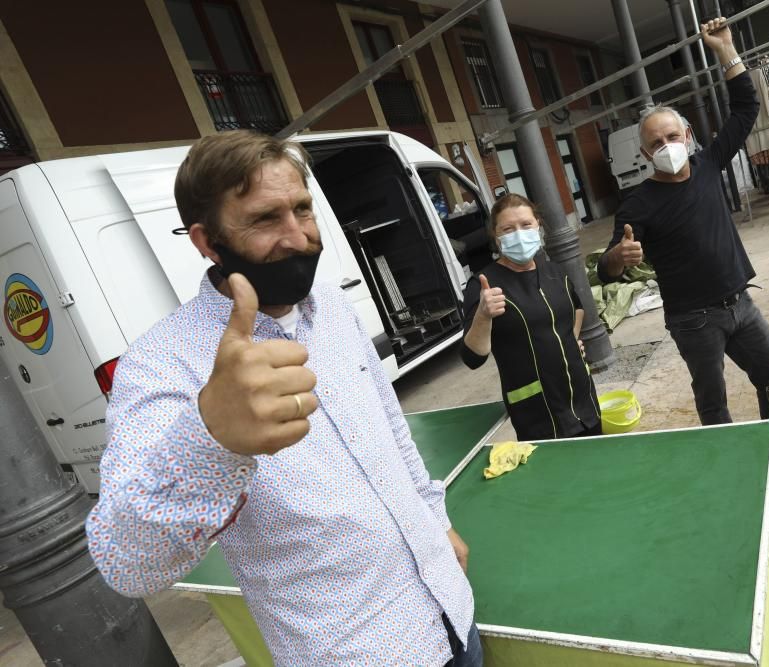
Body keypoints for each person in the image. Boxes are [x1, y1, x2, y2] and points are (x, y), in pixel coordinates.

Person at [86, 130, 481, 666]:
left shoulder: (333, 308)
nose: (298, 237)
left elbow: (390, 429)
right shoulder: (162, 364)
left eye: (303, 209)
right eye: (266, 218)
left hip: (449, 604)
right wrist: (211, 438)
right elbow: (126, 564)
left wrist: (437, 521)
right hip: (358, 653)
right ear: (207, 241)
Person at [597, 17, 769, 427]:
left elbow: (746, 107)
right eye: (656, 143)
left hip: (741, 303)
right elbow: (607, 272)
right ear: (646, 155)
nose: (666, 147)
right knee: (713, 403)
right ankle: (727, 475)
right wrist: (618, 255)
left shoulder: (708, 164)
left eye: (672, 137)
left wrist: (725, 49)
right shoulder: (637, 205)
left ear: (687, 135)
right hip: (693, 319)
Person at [460, 194, 601, 441]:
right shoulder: (484, 285)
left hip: (584, 400)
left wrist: (570, 340)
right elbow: (472, 357)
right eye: (508, 229)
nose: (519, 233)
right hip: (539, 414)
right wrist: (483, 315)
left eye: (525, 225)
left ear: (538, 226)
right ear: (496, 235)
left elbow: (576, 308)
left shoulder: (554, 271)